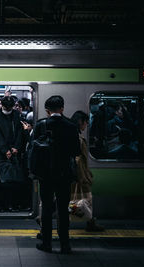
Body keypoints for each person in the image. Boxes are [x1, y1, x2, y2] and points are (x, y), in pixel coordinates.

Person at [33, 95, 80, 254]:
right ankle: (65, 244)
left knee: (46, 209)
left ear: (47, 110)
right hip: (64, 174)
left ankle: (47, 244)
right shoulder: (71, 126)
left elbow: (33, 150)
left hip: (45, 175)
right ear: (62, 108)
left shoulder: (41, 125)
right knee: (62, 209)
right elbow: (76, 151)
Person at [70, 111, 105, 232]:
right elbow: (80, 160)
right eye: (86, 122)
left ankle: (91, 222)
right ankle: (91, 223)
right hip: (80, 176)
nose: (86, 125)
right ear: (81, 122)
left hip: (72, 175)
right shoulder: (79, 139)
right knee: (86, 199)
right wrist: (84, 176)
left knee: (70, 200)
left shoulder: (71, 135)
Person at [0, 96, 22, 211]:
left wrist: (16, 147)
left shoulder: (16, 115)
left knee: (13, 180)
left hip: (14, 152)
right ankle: (0, 204)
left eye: (10, 107)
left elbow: (19, 132)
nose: (8, 109)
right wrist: (5, 150)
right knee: (0, 180)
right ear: (2, 105)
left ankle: (11, 203)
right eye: (6, 107)